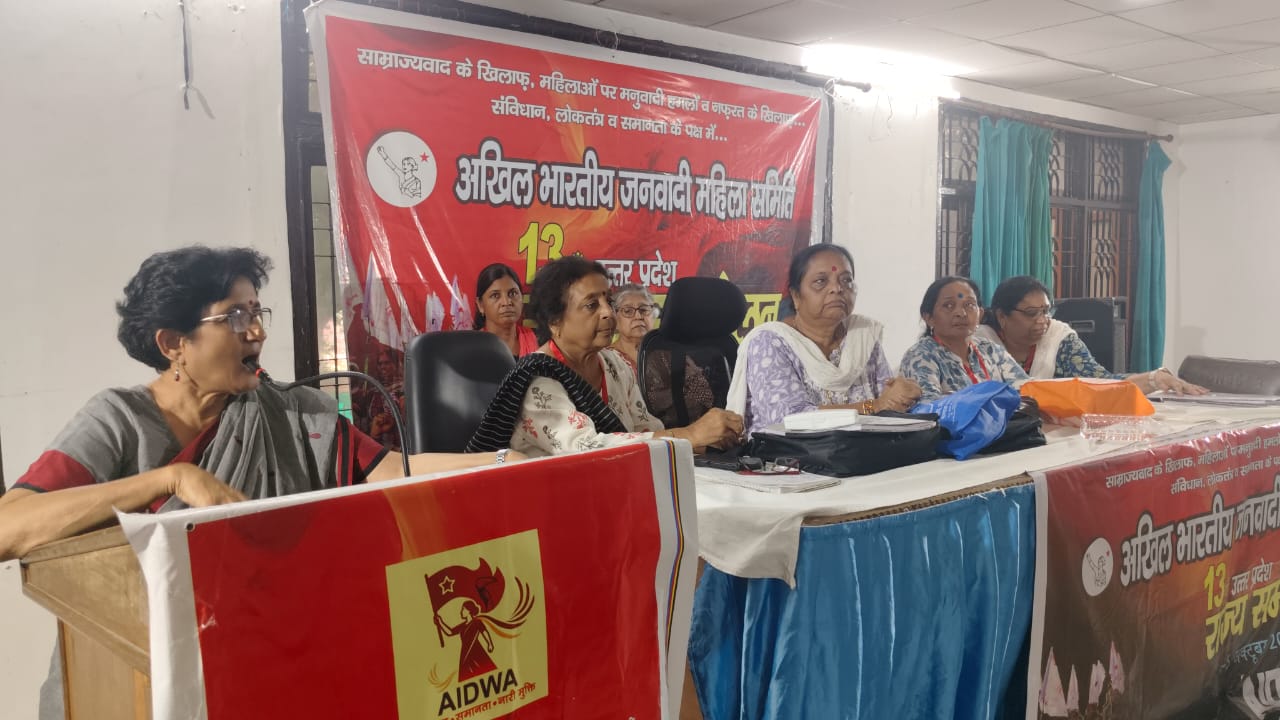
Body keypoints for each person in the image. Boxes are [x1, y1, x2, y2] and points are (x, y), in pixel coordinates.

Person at [0, 246, 524, 562]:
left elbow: (392, 469)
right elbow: (9, 529)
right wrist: (168, 480)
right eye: (234, 317)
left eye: (256, 312)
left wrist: (505, 461)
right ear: (173, 343)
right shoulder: (118, 419)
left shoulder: (290, 412)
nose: (257, 331)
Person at [466, 256, 744, 457]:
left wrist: (705, 441)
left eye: (607, 301)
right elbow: (588, 450)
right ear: (555, 321)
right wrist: (690, 435)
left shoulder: (614, 365)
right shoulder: (538, 380)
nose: (608, 313)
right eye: (591, 305)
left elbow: (644, 430)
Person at [727, 244, 922, 435]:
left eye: (846, 280)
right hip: (788, 454)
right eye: (821, 281)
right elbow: (788, 419)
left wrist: (903, 395)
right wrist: (874, 406)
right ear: (796, 296)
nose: (837, 288)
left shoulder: (862, 338)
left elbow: (888, 403)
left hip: (861, 451)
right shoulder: (770, 342)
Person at [974, 275, 1207, 395]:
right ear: (1002, 316)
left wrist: (1153, 379)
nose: (1042, 320)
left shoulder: (1059, 338)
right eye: (1031, 313)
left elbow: (1100, 383)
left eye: (1045, 311)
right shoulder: (979, 343)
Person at [899, 276, 1030, 402]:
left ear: (980, 314)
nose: (961, 313)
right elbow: (929, 406)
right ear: (928, 317)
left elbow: (1027, 391)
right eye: (948, 305)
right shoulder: (921, 356)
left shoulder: (990, 350)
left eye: (969, 305)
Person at [474, 263, 538, 357]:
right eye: (495, 295)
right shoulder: (473, 348)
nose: (507, 302)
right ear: (480, 305)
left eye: (513, 293)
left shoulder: (539, 342)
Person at [608, 283, 659, 372]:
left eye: (644, 310)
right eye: (628, 311)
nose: (638, 316)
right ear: (615, 318)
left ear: (654, 315)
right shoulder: (606, 359)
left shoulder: (665, 355)